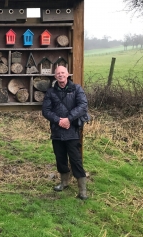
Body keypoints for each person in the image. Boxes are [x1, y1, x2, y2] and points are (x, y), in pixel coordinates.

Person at [42, 65, 88, 200]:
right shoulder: (50, 92)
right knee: (60, 158)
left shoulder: (76, 89)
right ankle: (64, 182)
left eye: (63, 73)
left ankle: (82, 190)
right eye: (58, 73)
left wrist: (68, 119)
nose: (61, 75)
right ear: (55, 77)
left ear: (68, 74)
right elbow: (46, 111)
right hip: (57, 130)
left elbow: (83, 105)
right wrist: (58, 120)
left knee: (76, 159)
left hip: (72, 130)